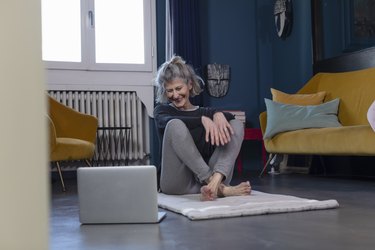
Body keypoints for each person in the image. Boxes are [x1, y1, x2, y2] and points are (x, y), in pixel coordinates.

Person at [153, 55, 251, 201]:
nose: (175, 95)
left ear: (190, 85)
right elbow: (167, 121)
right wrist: (202, 120)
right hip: (176, 184)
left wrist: (217, 114)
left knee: (236, 124)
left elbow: (230, 118)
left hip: (204, 183)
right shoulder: (162, 111)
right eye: (169, 90)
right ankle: (221, 189)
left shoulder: (206, 112)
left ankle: (215, 183)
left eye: (179, 88)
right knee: (175, 125)